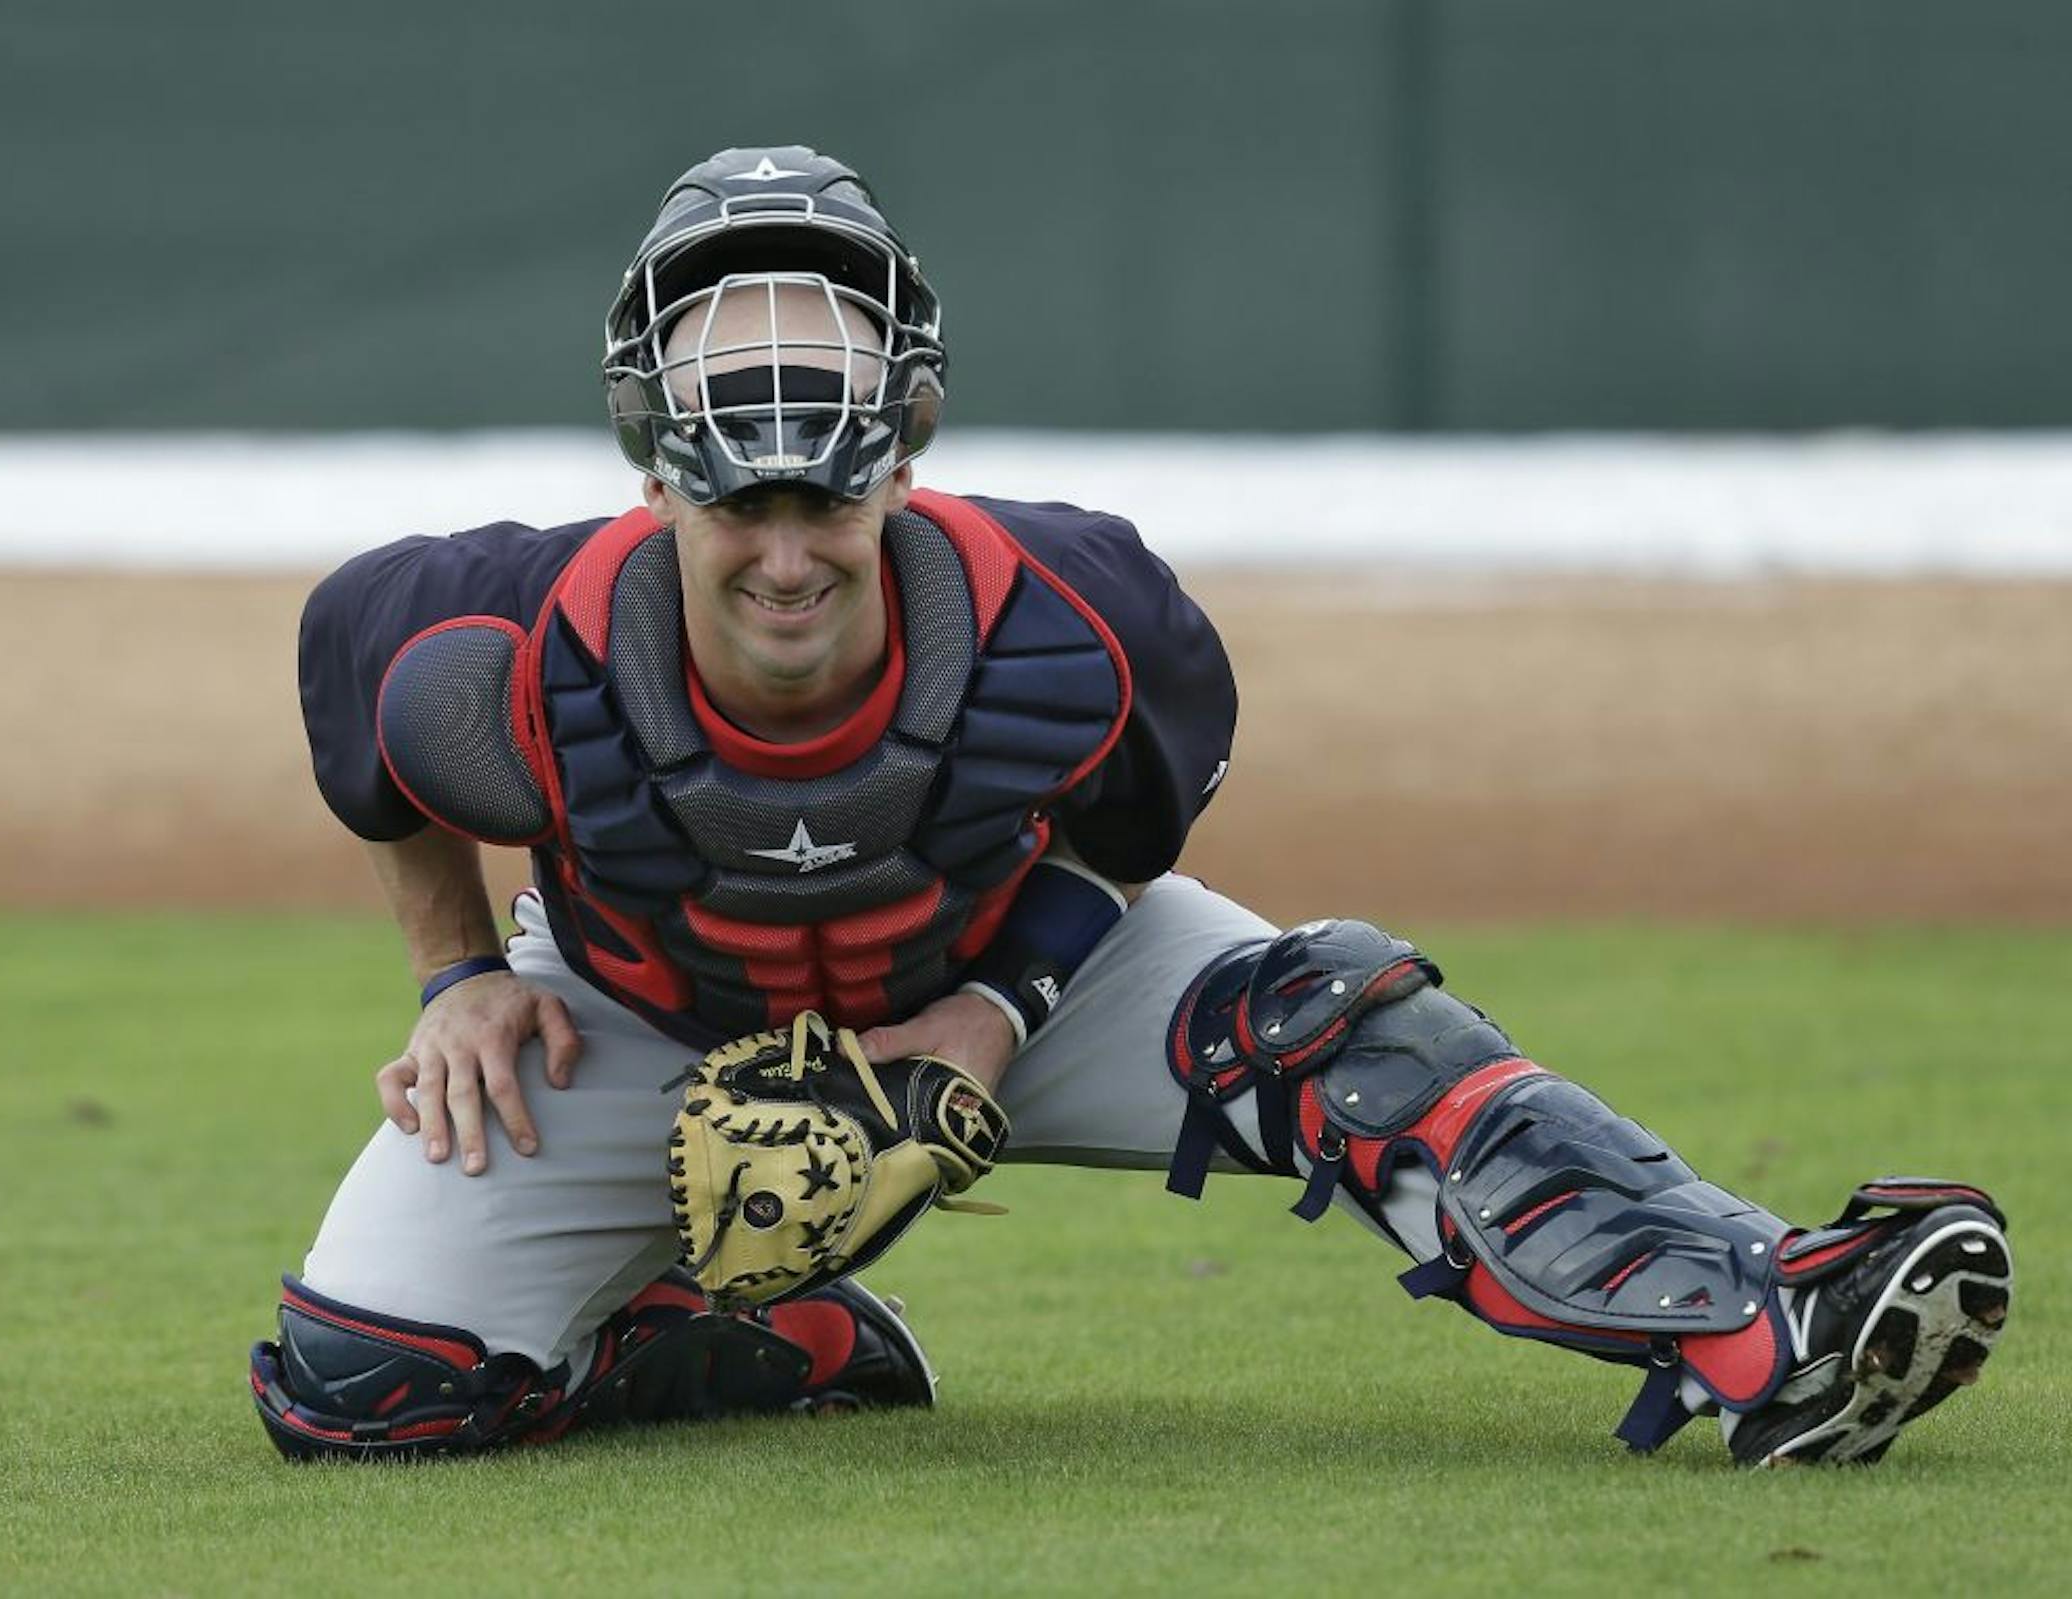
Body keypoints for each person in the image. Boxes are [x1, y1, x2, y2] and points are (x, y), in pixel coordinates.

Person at [252, 145, 2011, 1466]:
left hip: (1002, 962)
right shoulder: (474, 636)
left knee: (1325, 1013)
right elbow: (379, 755)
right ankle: (742, 1338)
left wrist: (988, 1014)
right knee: (353, 1396)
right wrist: (455, 975)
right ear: (654, 476)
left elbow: (1122, 832)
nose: (787, 558)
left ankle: (1775, 1316)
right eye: (742, 511)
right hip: (637, 1004)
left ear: (908, 448)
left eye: (829, 503)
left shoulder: (1077, 612)